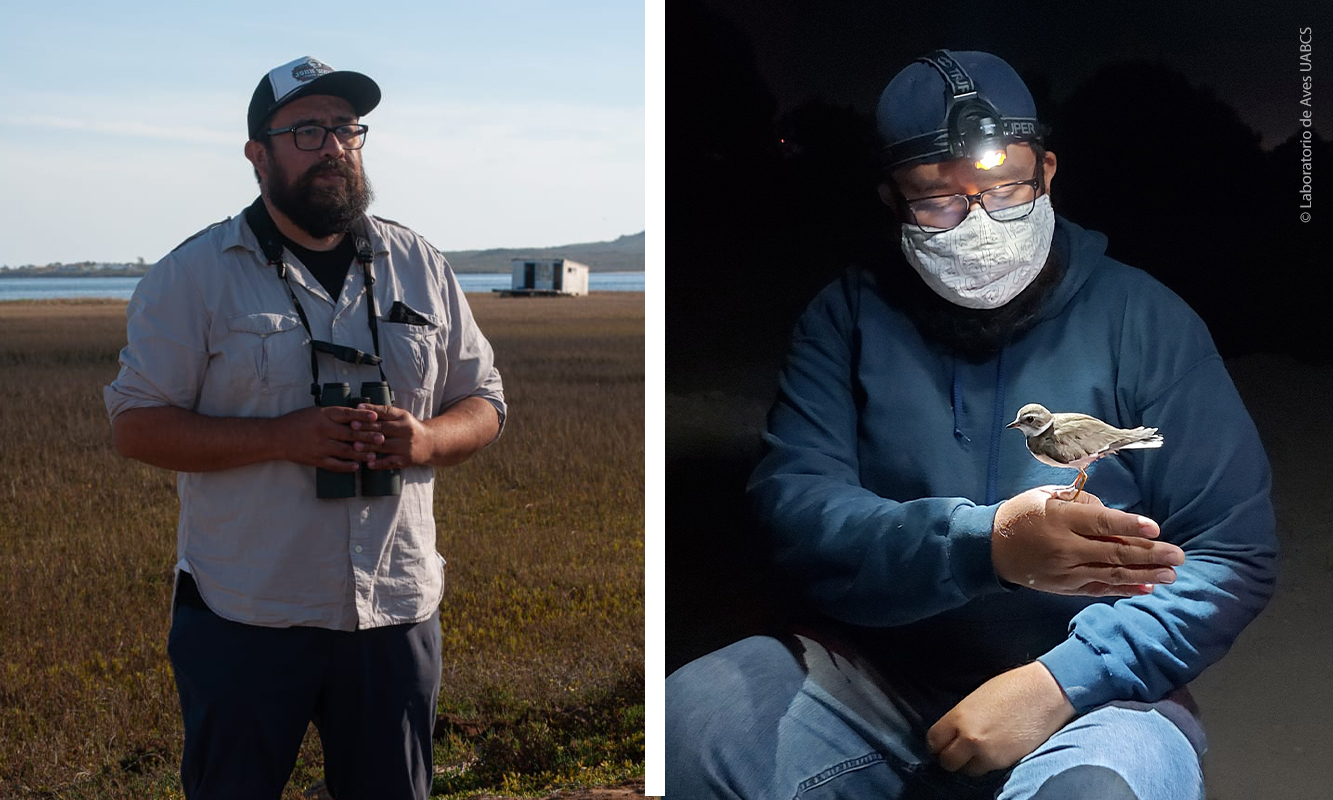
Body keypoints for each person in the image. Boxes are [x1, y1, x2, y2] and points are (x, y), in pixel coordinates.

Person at [665, 50, 1276, 799]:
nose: (979, 221)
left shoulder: (1146, 322)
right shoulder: (846, 318)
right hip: (878, 669)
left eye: (1006, 187)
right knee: (685, 728)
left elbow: (1231, 554)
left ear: (1047, 171)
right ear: (892, 198)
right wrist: (982, 547)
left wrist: (1060, 681)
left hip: (1097, 692)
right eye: (936, 199)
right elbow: (798, 515)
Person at [103, 56, 505, 799]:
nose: (333, 146)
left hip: (394, 606)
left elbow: (483, 399)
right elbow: (135, 425)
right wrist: (279, 438)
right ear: (257, 155)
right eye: (307, 130)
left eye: (347, 128)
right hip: (246, 613)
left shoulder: (419, 264)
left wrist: (425, 441)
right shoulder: (193, 275)